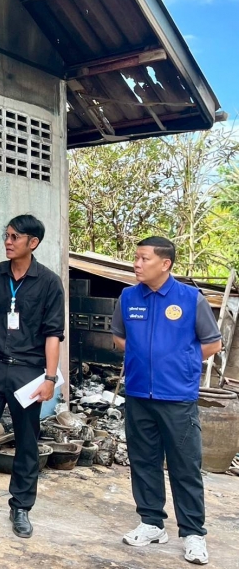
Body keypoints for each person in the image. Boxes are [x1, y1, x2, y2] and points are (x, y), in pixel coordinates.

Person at [112, 237, 221, 565]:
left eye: (144, 258)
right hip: (138, 394)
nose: (137, 264)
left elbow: (212, 343)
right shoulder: (128, 296)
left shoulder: (190, 299)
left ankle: (193, 533)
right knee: (143, 461)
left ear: (165, 263)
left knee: (184, 465)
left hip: (177, 397)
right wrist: (142, 357)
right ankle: (151, 523)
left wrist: (179, 362)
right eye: (136, 257)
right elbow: (119, 337)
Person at [0, 214, 65, 538]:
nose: (8, 242)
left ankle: (21, 507)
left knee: (26, 439)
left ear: (33, 243)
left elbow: (53, 334)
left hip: (28, 371)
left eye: (15, 237)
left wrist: (49, 378)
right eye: (6, 235)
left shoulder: (49, 282)